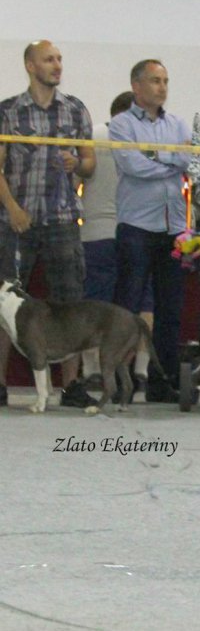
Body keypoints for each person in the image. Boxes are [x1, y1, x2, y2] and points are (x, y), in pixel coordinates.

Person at [0, 40, 97, 409]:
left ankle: (71, 385)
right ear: (29, 65)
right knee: (6, 304)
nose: (57, 65)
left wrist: (79, 165)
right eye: (49, 60)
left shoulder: (75, 110)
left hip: (61, 219)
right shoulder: (8, 111)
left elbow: (91, 163)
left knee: (69, 303)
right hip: (17, 222)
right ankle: (1, 383)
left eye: (59, 59)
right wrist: (12, 208)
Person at [109, 60, 191, 403]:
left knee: (170, 309)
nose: (162, 87)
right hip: (137, 228)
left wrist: (161, 157)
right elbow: (133, 166)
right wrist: (169, 162)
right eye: (155, 81)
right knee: (126, 309)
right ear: (136, 86)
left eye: (166, 81)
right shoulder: (120, 125)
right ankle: (118, 381)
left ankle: (162, 382)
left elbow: (190, 161)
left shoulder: (178, 124)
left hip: (173, 228)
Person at [77, 91, 154, 391]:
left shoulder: (92, 137)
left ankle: (93, 370)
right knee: (143, 304)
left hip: (96, 234)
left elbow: (75, 181)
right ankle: (142, 371)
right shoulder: (148, 143)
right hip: (137, 234)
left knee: (94, 306)